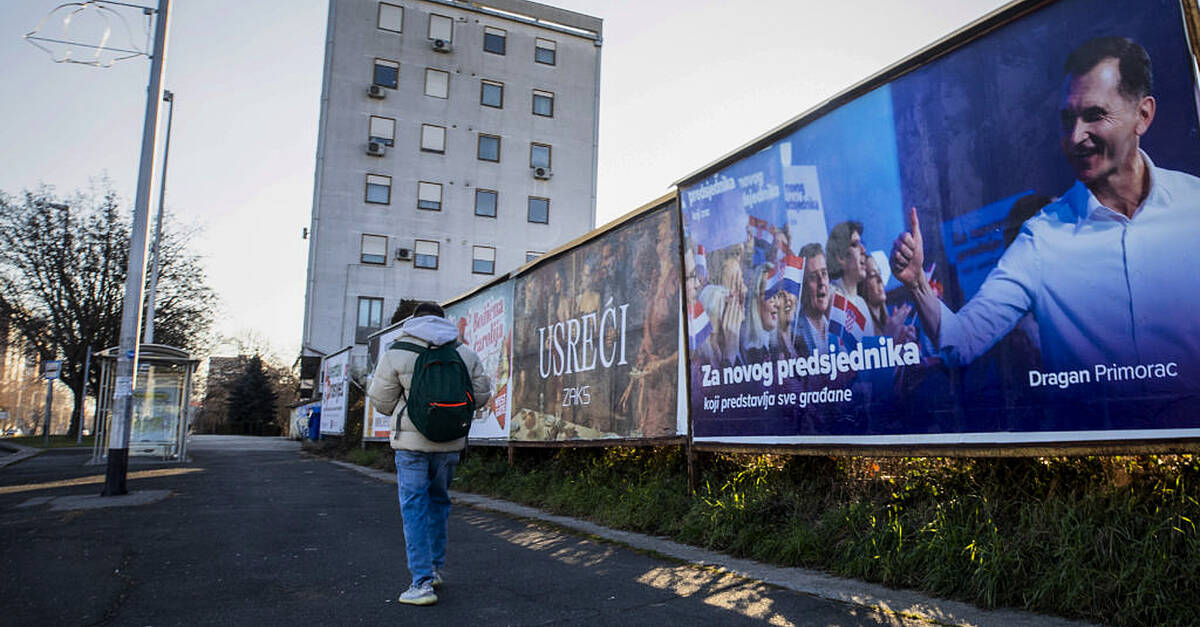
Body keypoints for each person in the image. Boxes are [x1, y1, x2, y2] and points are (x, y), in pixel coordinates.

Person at [891, 36, 1200, 379]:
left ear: (1142, 115)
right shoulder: (1041, 238)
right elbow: (962, 341)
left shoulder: (1195, 204)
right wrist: (918, 283)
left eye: (1095, 115)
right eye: (1068, 119)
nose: (1076, 136)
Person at [367, 301, 492, 606]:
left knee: (414, 508)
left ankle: (421, 582)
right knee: (439, 502)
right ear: (442, 321)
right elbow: (481, 397)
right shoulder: (464, 352)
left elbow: (381, 402)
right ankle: (435, 569)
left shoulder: (397, 352)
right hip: (450, 444)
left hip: (411, 445)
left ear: (413, 321)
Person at [826, 221, 876, 337]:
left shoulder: (861, 303)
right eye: (855, 244)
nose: (863, 250)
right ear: (841, 257)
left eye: (862, 244)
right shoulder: (829, 298)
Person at [796, 243, 832, 354]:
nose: (822, 282)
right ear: (803, 286)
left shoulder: (836, 328)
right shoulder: (794, 335)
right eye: (813, 277)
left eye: (824, 273)